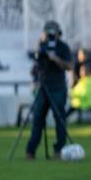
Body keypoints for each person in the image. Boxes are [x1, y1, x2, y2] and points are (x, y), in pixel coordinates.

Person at [25, 21, 72, 160]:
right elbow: (35, 63)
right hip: (43, 87)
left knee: (59, 119)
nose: (50, 35)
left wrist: (56, 59)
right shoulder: (41, 46)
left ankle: (60, 149)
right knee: (37, 118)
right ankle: (31, 151)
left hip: (58, 87)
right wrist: (40, 49)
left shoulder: (63, 47)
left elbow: (70, 66)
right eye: (48, 32)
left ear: (58, 33)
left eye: (53, 32)